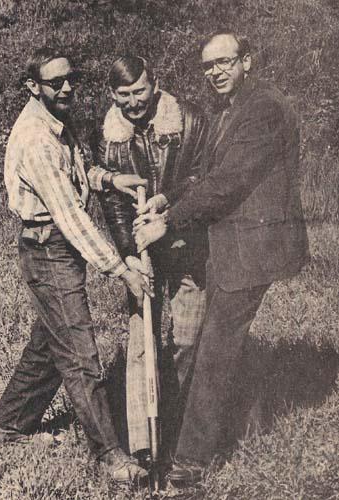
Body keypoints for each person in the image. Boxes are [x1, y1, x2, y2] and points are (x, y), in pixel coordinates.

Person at [134, 31, 309, 482]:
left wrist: (167, 222)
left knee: (214, 349)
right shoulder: (232, 108)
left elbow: (228, 184)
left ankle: (189, 462)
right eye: (208, 66)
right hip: (233, 240)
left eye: (224, 62)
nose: (215, 72)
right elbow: (207, 175)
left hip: (253, 246)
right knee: (226, 340)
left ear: (247, 61)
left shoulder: (264, 108)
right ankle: (247, 425)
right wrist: (167, 199)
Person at [0, 46, 152, 484]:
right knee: (79, 354)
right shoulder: (37, 138)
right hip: (48, 248)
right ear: (33, 86)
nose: (66, 88)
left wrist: (111, 178)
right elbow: (72, 218)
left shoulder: (57, 122)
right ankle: (112, 457)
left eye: (70, 78)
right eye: (55, 82)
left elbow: (79, 173)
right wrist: (122, 270)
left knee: (50, 342)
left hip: (57, 245)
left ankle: (7, 425)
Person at [95, 55, 208, 462]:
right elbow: (112, 202)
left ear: (154, 84)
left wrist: (167, 201)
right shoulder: (108, 135)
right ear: (113, 95)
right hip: (142, 253)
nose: (133, 101)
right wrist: (129, 254)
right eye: (123, 94)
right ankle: (143, 444)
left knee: (189, 339)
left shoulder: (190, 119)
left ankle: (179, 424)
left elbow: (203, 176)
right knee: (141, 341)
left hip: (187, 245)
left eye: (139, 91)